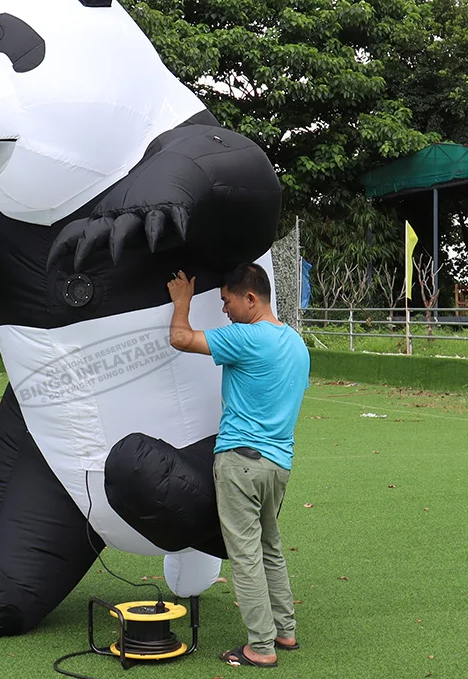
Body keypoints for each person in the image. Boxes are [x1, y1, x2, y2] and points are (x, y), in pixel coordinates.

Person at [167, 263, 309, 668]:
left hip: (240, 462)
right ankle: (285, 630)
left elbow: (180, 338)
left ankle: (260, 647)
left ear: (251, 298)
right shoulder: (295, 344)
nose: (225, 309)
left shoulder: (248, 338)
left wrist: (182, 302)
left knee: (246, 556)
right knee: (270, 550)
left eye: (227, 300)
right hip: (277, 465)